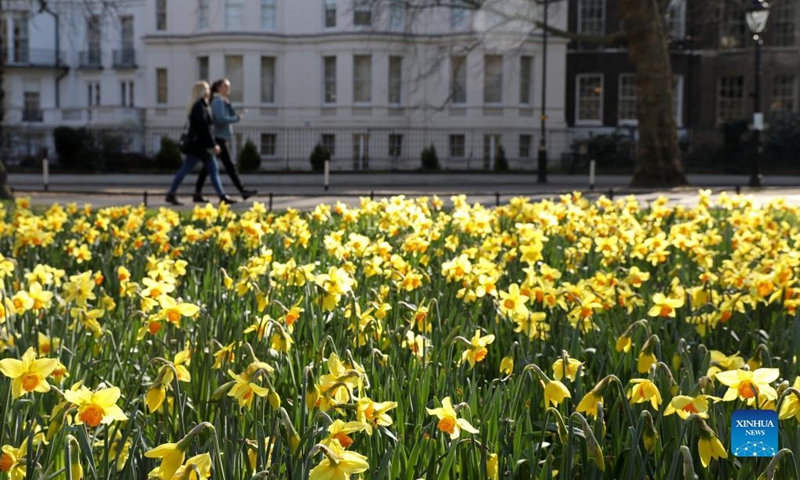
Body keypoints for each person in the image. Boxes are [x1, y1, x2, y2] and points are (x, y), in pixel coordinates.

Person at [165, 81, 237, 206]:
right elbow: (204, 128)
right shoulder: (199, 106)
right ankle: (171, 194)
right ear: (202, 91)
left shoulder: (201, 105)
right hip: (199, 146)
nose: (209, 92)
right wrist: (213, 144)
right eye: (207, 89)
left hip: (200, 146)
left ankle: (221, 196)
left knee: (209, 170)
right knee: (192, 170)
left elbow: (206, 127)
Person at [193, 78, 257, 202]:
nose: (228, 88)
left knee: (212, 167)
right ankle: (240, 191)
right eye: (225, 86)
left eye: (228, 86)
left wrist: (229, 106)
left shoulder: (222, 101)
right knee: (224, 166)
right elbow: (221, 119)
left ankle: (198, 193)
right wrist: (236, 118)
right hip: (218, 138)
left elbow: (228, 114)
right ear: (218, 88)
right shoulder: (218, 101)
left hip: (221, 137)